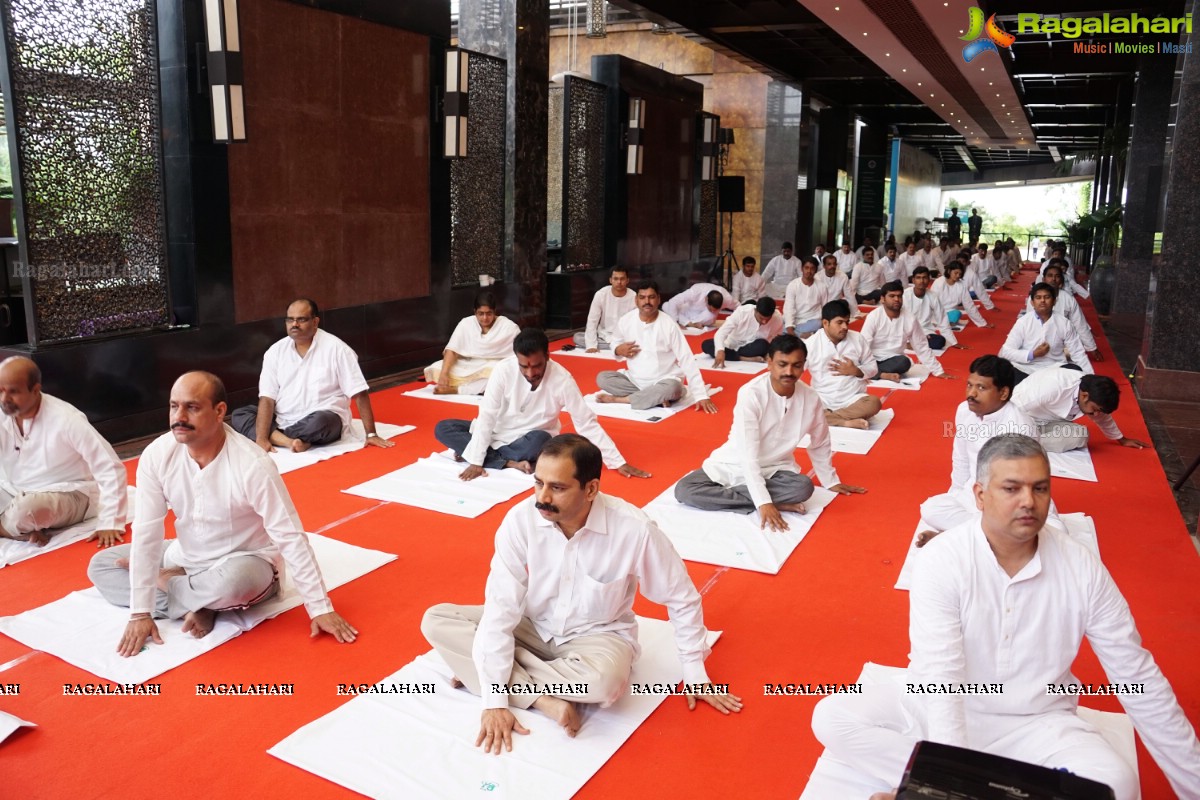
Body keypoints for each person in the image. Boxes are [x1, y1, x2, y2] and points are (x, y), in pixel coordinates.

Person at [813, 434, 1200, 800]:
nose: (1029, 501)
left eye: (1040, 488)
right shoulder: (942, 558)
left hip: (1037, 720)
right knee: (833, 717)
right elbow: (941, 674)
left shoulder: (1082, 566)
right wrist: (949, 783)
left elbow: (1137, 677)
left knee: (1116, 784)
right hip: (942, 704)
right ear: (980, 495)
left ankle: (942, 783)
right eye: (1011, 488)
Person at [421, 434, 742, 753]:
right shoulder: (520, 520)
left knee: (603, 685)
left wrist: (695, 672)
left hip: (597, 636)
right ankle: (540, 699)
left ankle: (487, 666)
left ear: (590, 489)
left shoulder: (633, 529)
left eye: (557, 488)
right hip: (531, 625)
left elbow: (681, 597)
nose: (542, 497)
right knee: (437, 619)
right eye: (538, 483)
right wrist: (493, 701)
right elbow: (501, 606)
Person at [89, 372, 358, 655]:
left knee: (236, 584)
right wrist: (139, 614)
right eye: (173, 406)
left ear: (219, 412)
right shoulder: (157, 455)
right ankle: (201, 604)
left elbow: (289, 536)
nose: (179, 417)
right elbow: (147, 531)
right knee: (102, 564)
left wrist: (320, 608)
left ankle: (178, 587)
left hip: (244, 559)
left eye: (191, 407)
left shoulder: (252, 463)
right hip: (186, 555)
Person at [675, 335, 866, 529]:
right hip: (735, 463)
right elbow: (747, 453)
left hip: (776, 469)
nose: (789, 372)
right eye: (782, 364)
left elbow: (820, 441)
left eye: (796, 365)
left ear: (803, 366)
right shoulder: (751, 393)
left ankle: (744, 497)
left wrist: (830, 480)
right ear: (769, 363)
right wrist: (764, 503)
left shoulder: (810, 397)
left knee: (803, 487)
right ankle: (773, 502)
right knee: (684, 490)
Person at [435, 329, 650, 480]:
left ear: (548, 356)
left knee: (543, 441)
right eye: (524, 367)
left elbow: (585, 423)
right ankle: (507, 462)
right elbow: (487, 415)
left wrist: (617, 462)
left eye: (536, 366)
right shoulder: (503, 370)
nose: (530, 373)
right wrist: (476, 461)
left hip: (531, 439)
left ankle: (474, 452)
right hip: (497, 432)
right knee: (444, 428)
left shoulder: (562, 379)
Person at [231, 298, 394, 453]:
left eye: (301, 319)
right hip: (283, 416)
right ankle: (288, 441)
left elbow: (359, 393)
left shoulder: (338, 349)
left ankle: (276, 436)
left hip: (322, 419)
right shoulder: (275, 352)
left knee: (322, 422)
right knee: (240, 414)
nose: (294, 324)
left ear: (315, 322)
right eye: (290, 320)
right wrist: (261, 438)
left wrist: (371, 434)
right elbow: (267, 397)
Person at [0, 356, 127, 548]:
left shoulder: (66, 419)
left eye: (13, 392)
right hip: (13, 490)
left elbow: (110, 467)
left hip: (68, 494)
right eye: (0, 390)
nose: (4, 399)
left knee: (29, 510)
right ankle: (17, 530)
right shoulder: (4, 412)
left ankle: (12, 527)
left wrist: (110, 521)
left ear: (35, 390)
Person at [917, 355, 1040, 537]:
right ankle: (984, 536)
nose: (971, 394)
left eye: (981, 388)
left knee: (1043, 532)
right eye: (969, 385)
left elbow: (1023, 483)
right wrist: (956, 495)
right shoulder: (964, 410)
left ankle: (957, 537)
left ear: (1003, 393)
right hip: (973, 492)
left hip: (1010, 500)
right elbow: (961, 457)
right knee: (931, 509)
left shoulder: (1018, 427)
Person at [596, 281, 717, 413]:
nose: (646, 301)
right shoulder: (626, 320)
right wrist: (617, 350)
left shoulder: (669, 324)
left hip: (664, 381)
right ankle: (654, 398)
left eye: (651, 297)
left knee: (672, 388)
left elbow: (686, 358)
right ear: (636, 300)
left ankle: (622, 400)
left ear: (658, 299)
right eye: (642, 297)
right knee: (602, 378)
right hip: (634, 380)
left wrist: (701, 395)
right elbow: (615, 341)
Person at [1012, 370, 1148, 453]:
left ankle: (1026, 442)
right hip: (1024, 417)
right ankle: (1018, 439)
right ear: (1084, 396)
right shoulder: (1053, 387)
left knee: (1081, 435)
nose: (1095, 415)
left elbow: (1103, 418)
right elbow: (1012, 408)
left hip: (1049, 421)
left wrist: (1122, 440)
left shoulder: (1092, 392)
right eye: (1094, 410)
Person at [423, 291, 520, 395]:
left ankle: (457, 390)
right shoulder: (466, 323)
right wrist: (444, 374)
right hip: (469, 364)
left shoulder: (509, 327)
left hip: (496, 364)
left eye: (489, 313)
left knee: (497, 372)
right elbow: (452, 350)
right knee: (437, 367)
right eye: (481, 313)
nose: (485, 318)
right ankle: (471, 387)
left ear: (495, 311)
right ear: (475, 312)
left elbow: (520, 353)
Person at [805, 300, 882, 430]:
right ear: (825, 323)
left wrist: (856, 371)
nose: (845, 327)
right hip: (822, 399)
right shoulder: (810, 344)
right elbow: (795, 371)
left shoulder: (857, 338)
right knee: (794, 402)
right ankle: (845, 422)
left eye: (847, 322)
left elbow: (873, 368)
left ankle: (826, 418)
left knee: (874, 403)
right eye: (839, 322)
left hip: (852, 399)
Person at [1000, 283, 1093, 383]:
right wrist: (1032, 354)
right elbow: (1006, 352)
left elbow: (1078, 353)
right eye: (1038, 297)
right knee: (1007, 376)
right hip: (1025, 368)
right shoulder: (1023, 322)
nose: (1042, 301)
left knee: (1076, 372)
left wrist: (1091, 379)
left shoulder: (1064, 323)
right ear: (1032, 302)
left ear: (1054, 301)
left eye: (1047, 297)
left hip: (1054, 368)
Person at [860, 282, 951, 382]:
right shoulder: (874, 316)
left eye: (899, 296)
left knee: (904, 362)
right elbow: (863, 344)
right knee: (859, 360)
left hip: (893, 360)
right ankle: (879, 374)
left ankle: (873, 373)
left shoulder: (910, 318)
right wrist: (861, 363)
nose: (896, 299)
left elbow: (921, 346)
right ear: (882, 299)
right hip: (872, 358)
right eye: (892, 296)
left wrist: (938, 371)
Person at [1032, 263, 1099, 356]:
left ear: (1061, 281)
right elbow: (1029, 322)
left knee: (1071, 356)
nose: (1053, 279)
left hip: (1061, 341)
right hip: (1038, 340)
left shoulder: (1068, 299)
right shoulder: (1035, 297)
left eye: (1057, 276)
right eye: (1050, 276)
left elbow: (1079, 323)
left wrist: (1092, 348)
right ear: (1043, 279)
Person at [703, 296, 784, 368]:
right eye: (761, 318)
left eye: (767, 319)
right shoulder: (742, 312)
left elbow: (776, 340)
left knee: (763, 345)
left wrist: (770, 353)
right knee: (707, 345)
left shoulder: (777, 318)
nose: (764, 322)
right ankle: (743, 358)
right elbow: (721, 332)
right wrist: (720, 350)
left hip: (752, 348)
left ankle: (733, 356)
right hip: (732, 344)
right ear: (755, 310)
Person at [904, 267, 967, 352]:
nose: (922, 281)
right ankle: (908, 343)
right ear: (913, 280)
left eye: (924, 278)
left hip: (924, 331)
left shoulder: (933, 296)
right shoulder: (904, 295)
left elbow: (942, 320)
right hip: (904, 331)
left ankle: (912, 344)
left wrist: (953, 342)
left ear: (929, 279)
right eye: (918, 278)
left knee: (940, 342)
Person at [575, 267, 636, 351]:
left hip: (624, 336)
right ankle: (617, 347)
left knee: (637, 341)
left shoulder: (634, 297)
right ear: (610, 280)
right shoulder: (601, 294)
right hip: (604, 335)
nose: (619, 282)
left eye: (622, 279)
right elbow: (592, 321)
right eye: (616, 279)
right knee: (577, 337)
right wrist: (591, 345)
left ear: (627, 280)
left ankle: (615, 346)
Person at [931, 260, 992, 330]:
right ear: (949, 271)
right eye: (955, 273)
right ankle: (942, 322)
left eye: (960, 274)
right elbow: (931, 301)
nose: (958, 276)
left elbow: (969, 305)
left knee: (957, 313)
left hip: (951, 312)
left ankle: (948, 323)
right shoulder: (939, 282)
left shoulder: (961, 285)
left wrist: (982, 323)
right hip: (936, 312)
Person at [782, 257, 827, 336]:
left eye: (812, 268)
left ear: (816, 270)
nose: (809, 271)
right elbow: (789, 307)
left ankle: (797, 334)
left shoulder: (822, 286)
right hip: (795, 319)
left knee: (819, 323)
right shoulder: (793, 285)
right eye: (806, 268)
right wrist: (790, 327)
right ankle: (807, 335)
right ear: (802, 269)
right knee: (782, 322)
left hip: (812, 321)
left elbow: (825, 307)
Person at [662, 282, 735, 329]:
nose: (713, 311)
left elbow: (739, 308)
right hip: (687, 309)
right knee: (666, 305)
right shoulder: (696, 292)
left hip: (701, 318)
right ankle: (690, 324)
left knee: (711, 316)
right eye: (711, 309)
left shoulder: (727, 298)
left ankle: (689, 323)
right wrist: (676, 323)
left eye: (715, 310)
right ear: (706, 299)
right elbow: (673, 301)